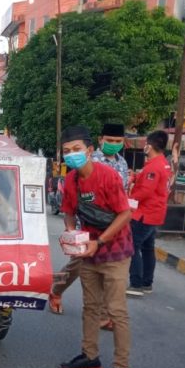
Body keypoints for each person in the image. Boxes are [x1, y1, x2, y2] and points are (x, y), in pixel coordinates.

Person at [57, 125, 135, 368]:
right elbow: (68, 211)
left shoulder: (108, 176)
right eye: (67, 152)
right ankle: (89, 356)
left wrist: (99, 242)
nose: (72, 155)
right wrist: (71, 233)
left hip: (114, 250)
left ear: (90, 151)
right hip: (88, 250)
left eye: (77, 150)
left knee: (115, 310)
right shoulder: (70, 181)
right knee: (90, 307)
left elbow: (125, 214)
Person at [49, 122, 128, 329]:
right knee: (78, 265)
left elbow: (122, 197)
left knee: (107, 273)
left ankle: (104, 315)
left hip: (114, 227)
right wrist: (71, 231)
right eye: (109, 140)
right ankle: (56, 290)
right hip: (89, 231)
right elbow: (71, 207)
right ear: (99, 142)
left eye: (118, 141)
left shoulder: (122, 163)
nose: (113, 144)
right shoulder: (89, 161)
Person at [126, 130, 171, 296]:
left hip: (145, 213)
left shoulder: (154, 166)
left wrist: (127, 199)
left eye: (146, 144)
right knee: (147, 248)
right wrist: (137, 176)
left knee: (132, 246)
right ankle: (146, 282)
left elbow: (145, 191)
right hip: (156, 213)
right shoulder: (163, 164)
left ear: (149, 146)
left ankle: (136, 283)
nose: (144, 147)